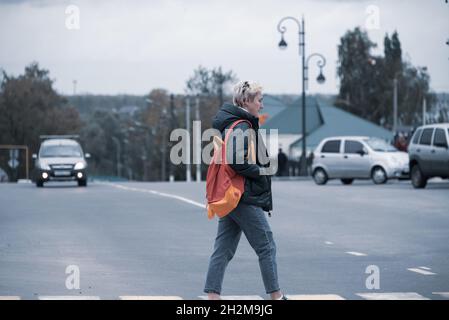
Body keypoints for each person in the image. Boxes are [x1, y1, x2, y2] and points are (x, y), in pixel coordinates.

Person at [204, 81, 287, 300]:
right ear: (245, 101)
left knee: (223, 248)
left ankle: (213, 296)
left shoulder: (233, 123)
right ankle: (277, 296)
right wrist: (261, 171)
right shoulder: (241, 125)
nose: (261, 105)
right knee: (266, 245)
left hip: (231, 194)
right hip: (242, 195)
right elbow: (235, 160)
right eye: (259, 100)